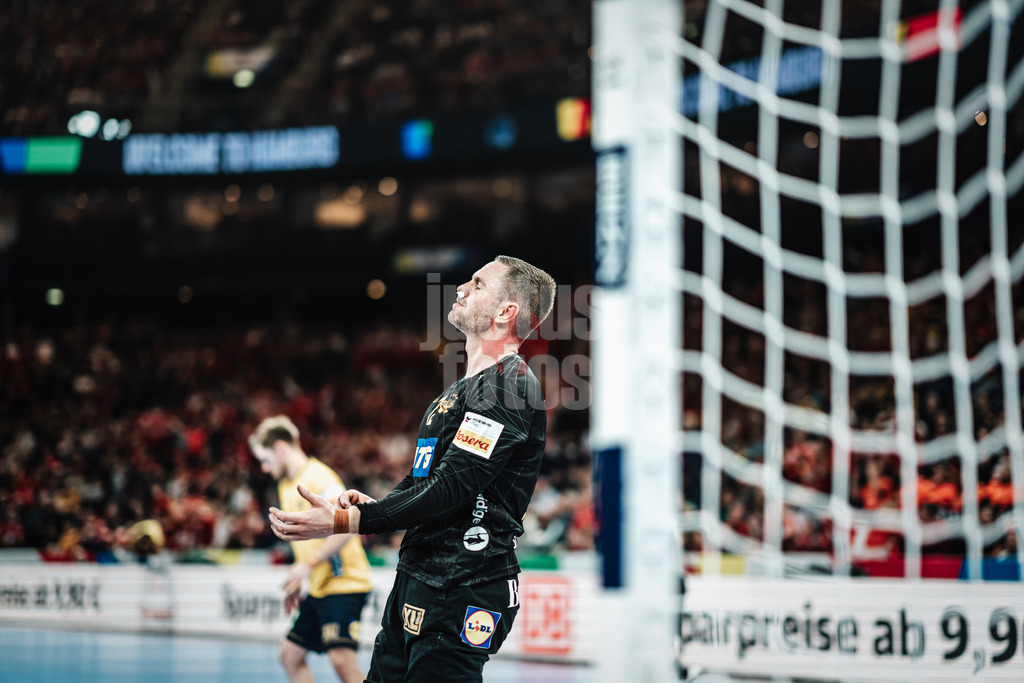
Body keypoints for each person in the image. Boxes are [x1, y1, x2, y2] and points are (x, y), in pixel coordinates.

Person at [267, 256, 556, 682]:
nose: (461, 288)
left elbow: (450, 488)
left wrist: (350, 521)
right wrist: (377, 506)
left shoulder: (508, 385)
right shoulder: (457, 392)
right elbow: (422, 481)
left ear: (505, 312)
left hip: (464, 582)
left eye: (477, 284)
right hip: (419, 575)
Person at [250, 415, 374, 683]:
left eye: (265, 459)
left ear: (280, 447)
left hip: (345, 583)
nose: (264, 468)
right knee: (290, 655)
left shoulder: (319, 477)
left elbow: (347, 526)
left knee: (341, 662)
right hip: (319, 586)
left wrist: (308, 565)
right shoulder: (286, 484)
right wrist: (301, 575)